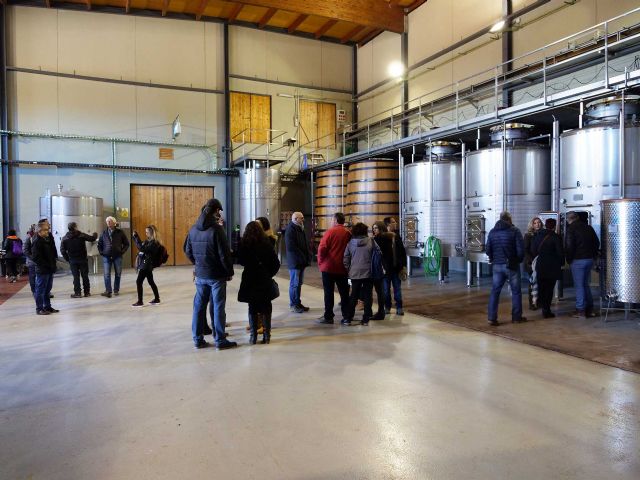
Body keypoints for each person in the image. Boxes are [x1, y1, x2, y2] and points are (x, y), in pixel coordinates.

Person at [185, 198, 236, 350]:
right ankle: (220, 340)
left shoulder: (193, 229)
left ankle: (197, 339)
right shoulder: (217, 230)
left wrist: (198, 264)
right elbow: (224, 255)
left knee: (199, 307)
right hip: (216, 276)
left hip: (200, 275)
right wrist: (229, 272)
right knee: (218, 307)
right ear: (216, 211)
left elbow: (187, 251)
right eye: (219, 211)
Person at [238, 221, 280, 344]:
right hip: (264, 279)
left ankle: (253, 336)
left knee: (252, 307)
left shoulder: (244, 244)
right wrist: (269, 273)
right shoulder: (266, 243)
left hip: (250, 278)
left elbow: (241, 261)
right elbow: (276, 263)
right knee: (266, 307)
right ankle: (267, 336)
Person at [485, 211, 526, 326]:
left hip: (497, 265)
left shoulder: (492, 232)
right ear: (509, 219)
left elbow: (488, 250)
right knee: (516, 291)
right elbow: (521, 250)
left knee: (495, 291)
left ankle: (491, 318)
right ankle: (516, 317)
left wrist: (494, 258)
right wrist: (517, 260)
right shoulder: (515, 231)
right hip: (511, 266)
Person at [316, 212, 351, 325]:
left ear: (335, 220)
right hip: (343, 268)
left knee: (328, 293)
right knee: (344, 293)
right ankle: (346, 317)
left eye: (332, 219)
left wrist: (320, 262)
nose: (331, 221)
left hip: (328, 268)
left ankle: (328, 317)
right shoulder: (348, 233)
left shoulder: (330, 232)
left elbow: (322, 249)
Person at [564, 211, 600, 318]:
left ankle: (580, 310)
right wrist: (593, 255)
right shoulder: (588, 227)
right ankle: (590, 308)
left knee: (579, 285)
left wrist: (569, 259)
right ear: (577, 217)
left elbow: (569, 246)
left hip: (578, 260)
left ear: (568, 219)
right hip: (589, 259)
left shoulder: (571, 229)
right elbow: (596, 243)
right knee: (585, 284)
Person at [343, 222, 374, 326]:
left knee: (354, 295)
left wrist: (349, 269)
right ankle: (366, 319)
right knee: (368, 296)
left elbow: (346, 258)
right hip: (368, 272)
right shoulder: (371, 241)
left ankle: (348, 318)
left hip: (355, 273)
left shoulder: (350, 243)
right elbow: (378, 254)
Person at [532, 218, 564, 318]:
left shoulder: (538, 236)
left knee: (541, 287)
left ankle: (543, 307)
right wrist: (561, 263)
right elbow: (560, 253)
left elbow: (533, 250)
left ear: (545, 225)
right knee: (549, 289)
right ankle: (546, 310)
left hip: (540, 265)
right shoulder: (556, 237)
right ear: (554, 226)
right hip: (552, 266)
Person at [60, 222, 98, 298]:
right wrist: (95, 234)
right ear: (75, 227)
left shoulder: (65, 238)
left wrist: (68, 259)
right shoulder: (81, 235)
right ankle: (87, 292)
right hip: (82, 259)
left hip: (72, 260)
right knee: (85, 276)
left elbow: (62, 250)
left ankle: (77, 293)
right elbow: (92, 239)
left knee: (76, 277)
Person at [285, 211, 311, 313]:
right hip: (295, 262)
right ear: (296, 219)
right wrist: (302, 257)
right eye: (302, 218)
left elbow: (304, 244)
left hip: (301, 261)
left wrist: (307, 255)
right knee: (294, 284)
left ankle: (297, 303)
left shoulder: (300, 227)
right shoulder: (290, 229)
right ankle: (293, 305)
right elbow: (291, 247)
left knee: (299, 284)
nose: (303, 219)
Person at [97, 216, 129, 298]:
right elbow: (99, 244)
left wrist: (122, 251)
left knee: (118, 273)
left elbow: (126, 244)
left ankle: (116, 290)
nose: (108, 223)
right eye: (107, 221)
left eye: (110, 221)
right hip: (106, 256)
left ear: (114, 223)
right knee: (106, 274)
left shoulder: (120, 232)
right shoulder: (104, 233)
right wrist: (101, 252)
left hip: (117, 256)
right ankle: (108, 291)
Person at [31, 221, 59, 315]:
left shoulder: (46, 240)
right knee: (40, 290)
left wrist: (52, 264)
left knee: (47, 289)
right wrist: (46, 265)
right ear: (40, 231)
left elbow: (51, 253)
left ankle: (47, 306)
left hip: (49, 269)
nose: (48, 231)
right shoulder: (37, 242)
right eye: (45, 230)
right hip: (42, 270)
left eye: (48, 229)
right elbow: (36, 258)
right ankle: (39, 308)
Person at [131, 225, 162, 307]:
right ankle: (157, 299)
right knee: (151, 281)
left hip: (146, 264)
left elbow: (142, 248)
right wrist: (135, 237)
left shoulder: (154, 243)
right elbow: (140, 246)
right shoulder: (148, 241)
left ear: (152, 233)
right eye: (146, 232)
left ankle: (140, 301)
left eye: (147, 232)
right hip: (146, 264)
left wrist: (136, 237)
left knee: (139, 281)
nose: (146, 233)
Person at [383, 217, 407, 315]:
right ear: (388, 224)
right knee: (386, 290)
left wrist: (404, 266)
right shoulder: (383, 237)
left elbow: (402, 252)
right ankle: (387, 307)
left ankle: (399, 307)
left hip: (396, 268)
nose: (396, 223)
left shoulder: (397, 236)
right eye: (393, 222)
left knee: (397, 289)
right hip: (386, 269)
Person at [371, 221, 394, 320]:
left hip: (380, 268)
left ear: (381, 228)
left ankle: (382, 311)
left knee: (380, 290)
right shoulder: (390, 238)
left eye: (376, 228)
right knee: (383, 290)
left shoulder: (377, 239)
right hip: (387, 267)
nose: (374, 230)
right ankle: (384, 309)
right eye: (373, 228)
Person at [524, 217, 543, 310]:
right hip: (531, 263)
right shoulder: (528, 235)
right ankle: (532, 303)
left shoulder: (543, 234)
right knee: (532, 283)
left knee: (541, 283)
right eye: (535, 223)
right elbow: (525, 250)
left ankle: (539, 302)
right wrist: (532, 261)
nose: (537, 224)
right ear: (532, 224)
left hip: (541, 262)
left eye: (538, 222)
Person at [23, 224, 38, 297]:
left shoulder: (39, 237)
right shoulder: (29, 238)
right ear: (33, 230)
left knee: (40, 277)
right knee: (33, 277)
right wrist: (32, 257)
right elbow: (25, 250)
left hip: (39, 261)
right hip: (32, 262)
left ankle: (42, 291)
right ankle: (34, 291)